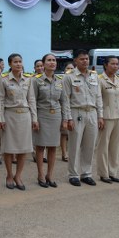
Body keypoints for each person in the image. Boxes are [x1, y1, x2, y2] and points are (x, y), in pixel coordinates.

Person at [62, 50, 104, 187]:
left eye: (86, 59)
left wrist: (100, 116)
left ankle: (86, 173)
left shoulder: (94, 76)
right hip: (76, 112)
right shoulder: (69, 76)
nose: (85, 61)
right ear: (75, 61)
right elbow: (66, 99)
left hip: (92, 112)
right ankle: (73, 174)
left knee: (90, 145)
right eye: (82, 59)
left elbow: (98, 97)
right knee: (74, 145)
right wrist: (68, 118)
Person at [0, 53, 37, 191]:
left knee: (23, 148)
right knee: (9, 148)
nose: (18, 64)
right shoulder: (3, 79)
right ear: (10, 64)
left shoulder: (28, 79)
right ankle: (9, 175)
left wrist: (34, 118)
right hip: (10, 115)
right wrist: (0, 118)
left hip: (25, 115)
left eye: (20, 61)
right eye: (15, 62)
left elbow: (31, 99)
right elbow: (0, 101)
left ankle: (18, 176)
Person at [31, 54, 67, 188]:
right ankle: (40, 174)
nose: (52, 63)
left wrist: (65, 118)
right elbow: (32, 100)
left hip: (56, 116)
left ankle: (49, 175)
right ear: (44, 63)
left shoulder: (60, 81)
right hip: (42, 115)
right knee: (40, 147)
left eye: (54, 60)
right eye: (49, 60)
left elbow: (64, 101)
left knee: (53, 147)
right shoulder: (36, 80)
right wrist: (34, 119)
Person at [96, 55, 119, 184]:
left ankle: (113, 172)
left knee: (115, 146)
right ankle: (104, 174)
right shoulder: (100, 79)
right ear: (106, 65)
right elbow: (98, 99)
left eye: (117, 64)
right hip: (106, 116)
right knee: (103, 146)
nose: (115, 66)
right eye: (113, 64)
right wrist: (100, 117)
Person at [60, 61, 75, 162]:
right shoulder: (60, 79)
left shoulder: (76, 79)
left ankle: (71, 153)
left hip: (74, 108)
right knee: (64, 133)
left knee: (73, 133)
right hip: (63, 108)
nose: (69, 70)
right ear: (64, 70)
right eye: (68, 68)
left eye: (71, 68)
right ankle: (64, 153)